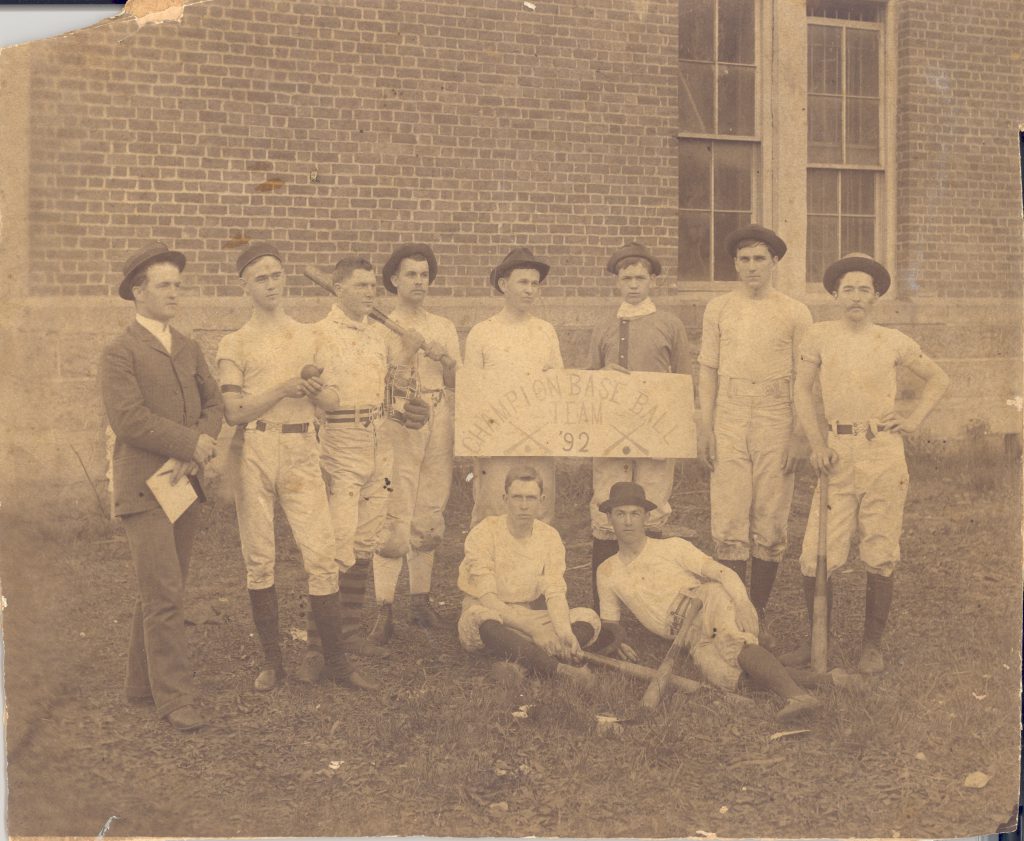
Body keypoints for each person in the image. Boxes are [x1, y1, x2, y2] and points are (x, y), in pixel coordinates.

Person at [216, 241, 378, 692]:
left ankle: (338, 664)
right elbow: (235, 411)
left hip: (304, 447)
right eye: (260, 277)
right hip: (256, 450)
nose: (271, 284)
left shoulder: (309, 335)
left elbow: (331, 398)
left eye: (276, 274)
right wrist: (284, 387)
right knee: (260, 558)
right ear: (244, 285)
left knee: (322, 556)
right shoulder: (235, 342)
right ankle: (272, 662)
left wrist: (315, 390)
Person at [785, 253, 949, 673]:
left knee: (880, 547)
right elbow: (803, 393)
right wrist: (816, 443)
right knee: (817, 553)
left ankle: (870, 646)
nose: (855, 296)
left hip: (882, 452)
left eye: (864, 289)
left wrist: (911, 419)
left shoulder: (891, 340)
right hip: (835, 453)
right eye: (847, 289)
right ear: (835, 294)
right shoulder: (819, 337)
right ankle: (815, 639)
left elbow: (939, 378)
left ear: (876, 295)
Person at [99, 242, 223, 732]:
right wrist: (190, 444)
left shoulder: (189, 347)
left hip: (184, 484)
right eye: (165, 285)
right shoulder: (119, 352)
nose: (176, 293)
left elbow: (213, 404)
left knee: (163, 586)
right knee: (165, 590)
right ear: (138, 291)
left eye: (178, 284)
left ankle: (140, 683)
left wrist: (201, 444)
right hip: (144, 488)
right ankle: (174, 699)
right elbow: (128, 419)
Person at [595, 481, 821, 722]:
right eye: (620, 514)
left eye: (635, 514)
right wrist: (617, 642)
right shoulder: (607, 571)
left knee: (732, 645)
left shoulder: (671, 547)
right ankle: (830, 680)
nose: (628, 521)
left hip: (706, 602)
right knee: (725, 676)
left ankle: (797, 697)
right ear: (609, 518)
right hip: (687, 637)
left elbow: (722, 573)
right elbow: (610, 624)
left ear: (646, 517)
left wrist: (743, 603)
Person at [312, 255, 427, 674]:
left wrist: (408, 355)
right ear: (337, 288)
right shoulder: (318, 335)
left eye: (372, 287)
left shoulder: (379, 335)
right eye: (360, 286)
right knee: (335, 544)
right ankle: (319, 643)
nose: (369, 294)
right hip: (340, 441)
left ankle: (349, 632)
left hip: (378, 438)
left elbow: (393, 392)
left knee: (366, 540)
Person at [697, 224, 813, 637]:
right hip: (728, 410)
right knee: (728, 514)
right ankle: (733, 607)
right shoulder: (719, 308)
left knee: (770, 515)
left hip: (775, 413)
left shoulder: (794, 311)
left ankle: (756, 609)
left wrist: (800, 433)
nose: (751, 267)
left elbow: (804, 377)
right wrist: (705, 425)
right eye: (744, 260)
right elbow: (708, 368)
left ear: (774, 263)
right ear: (735, 264)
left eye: (760, 259)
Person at [588, 241, 693, 609]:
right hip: (610, 430)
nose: (633, 285)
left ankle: (654, 596)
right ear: (617, 282)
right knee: (607, 501)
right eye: (626, 278)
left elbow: (684, 380)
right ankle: (604, 600)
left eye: (640, 278)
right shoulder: (602, 326)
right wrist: (601, 374)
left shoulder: (669, 324)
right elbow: (586, 381)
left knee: (651, 502)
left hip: (656, 430)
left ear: (652, 283)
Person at [368, 243, 462, 645]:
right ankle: (383, 607)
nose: (419, 281)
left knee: (429, 508)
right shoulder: (381, 326)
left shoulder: (443, 326)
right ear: (394, 280)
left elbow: (458, 380)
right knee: (395, 507)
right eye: (411, 274)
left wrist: (446, 361)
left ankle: (420, 602)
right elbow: (378, 385)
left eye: (424, 275)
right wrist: (406, 354)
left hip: (438, 415)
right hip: (400, 419)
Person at [457, 467, 601, 686]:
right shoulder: (485, 532)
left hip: (528, 613)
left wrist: (563, 632)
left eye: (531, 498)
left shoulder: (549, 536)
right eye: (517, 497)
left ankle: (524, 659)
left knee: (588, 618)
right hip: (492, 613)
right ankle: (558, 669)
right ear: (505, 498)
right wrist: (535, 630)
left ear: (541, 500)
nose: (524, 505)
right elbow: (488, 599)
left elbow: (554, 591)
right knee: (481, 618)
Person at [464, 247, 562, 527]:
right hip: (496, 441)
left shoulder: (545, 331)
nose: (530, 290)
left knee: (539, 511)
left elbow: (559, 385)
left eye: (535, 284)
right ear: (503, 285)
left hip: (538, 439)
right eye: (523, 282)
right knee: (493, 510)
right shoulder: (483, 333)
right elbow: (472, 393)